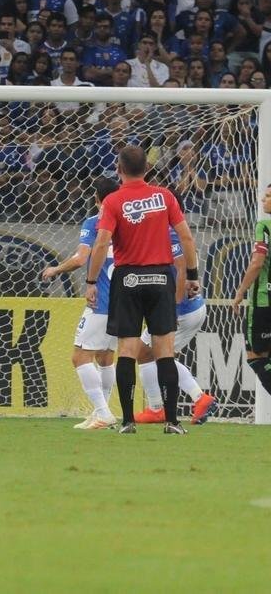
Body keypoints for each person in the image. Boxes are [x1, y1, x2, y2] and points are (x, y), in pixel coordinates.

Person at [84, 145, 200, 434]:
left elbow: (101, 243)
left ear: (119, 169)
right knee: (165, 350)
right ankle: (172, 422)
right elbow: (186, 237)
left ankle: (127, 422)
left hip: (128, 278)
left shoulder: (113, 201)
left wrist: (90, 281)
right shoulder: (164, 196)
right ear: (147, 169)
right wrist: (192, 276)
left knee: (127, 348)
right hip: (161, 277)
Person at [41, 176, 119, 430]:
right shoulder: (128, 222)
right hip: (126, 300)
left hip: (102, 298)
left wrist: (55, 269)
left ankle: (102, 411)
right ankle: (102, 412)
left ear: (96, 197)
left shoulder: (95, 222)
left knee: (80, 356)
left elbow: (81, 257)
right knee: (106, 356)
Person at [131, 224, 218, 425]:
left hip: (182, 311)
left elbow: (181, 272)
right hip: (188, 308)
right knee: (147, 354)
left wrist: (175, 308)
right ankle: (160, 407)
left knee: (154, 355)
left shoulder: (170, 236)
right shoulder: (174, 235)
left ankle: (184, 401)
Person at [230, 185, 271, 399]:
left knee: (256, 356)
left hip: (264, 302)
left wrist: (240, 291)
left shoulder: (264, 226)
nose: (264, 199)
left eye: (269, 196)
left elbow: (256, 263)